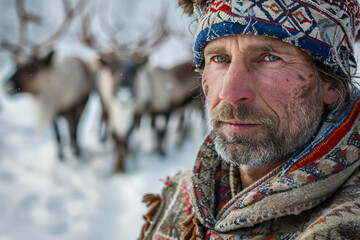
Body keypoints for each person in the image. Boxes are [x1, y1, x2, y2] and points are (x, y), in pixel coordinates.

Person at [138, 0, 360, 239]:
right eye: (219, 59)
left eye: (270, 58)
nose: (230, 93)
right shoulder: (179, 198)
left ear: (331, 84)